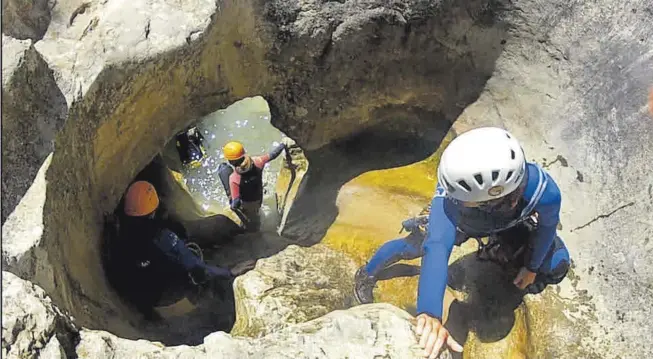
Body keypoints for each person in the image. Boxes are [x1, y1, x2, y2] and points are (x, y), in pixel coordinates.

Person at [354, 127, 571, 358]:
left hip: (505, 222)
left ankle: (501, 252)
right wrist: (430, 313)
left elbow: (547, 229)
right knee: (412, 246)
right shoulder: (451, 200)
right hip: (486, 222)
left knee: (558, 263)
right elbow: (436, 246)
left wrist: (532, 267)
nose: (454, 199)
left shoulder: (543, 192)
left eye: (464, 199)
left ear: (496, 194)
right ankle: (367, 273)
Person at [106, 181, 245, 319]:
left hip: (138, 296)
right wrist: (229, 272)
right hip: (166, 301)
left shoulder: (119, 229)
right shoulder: (164, 238)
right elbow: (198, 268)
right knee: (209, 284)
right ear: (153, 209)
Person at [218, 139, 291, 231]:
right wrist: (283, 145)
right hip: (258, 199)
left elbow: (236, 203)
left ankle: (252, 227)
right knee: (255, 212)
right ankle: (255, 219)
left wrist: (232, 206)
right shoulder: (258, 162)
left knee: (223, 169)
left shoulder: (234, 178)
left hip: (247, 205)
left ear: (231, 161)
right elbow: (273, 155)